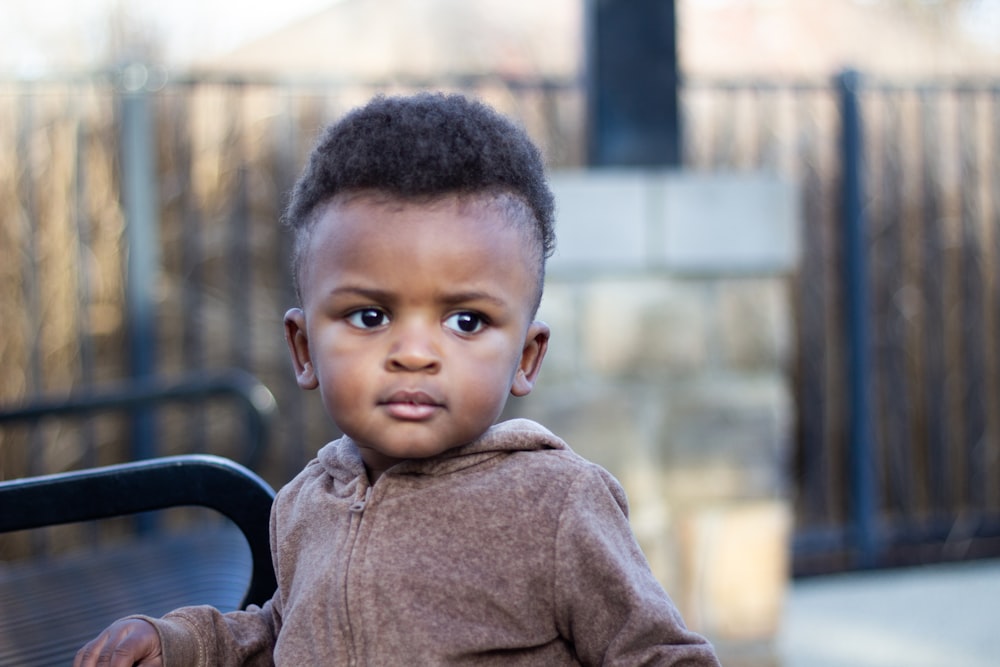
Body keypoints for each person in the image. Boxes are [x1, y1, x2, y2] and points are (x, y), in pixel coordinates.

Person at [75, 93, 721, 666]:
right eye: (370, 315)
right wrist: (183, 643)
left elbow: (660, 653)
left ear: (527, 355)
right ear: (303, 347)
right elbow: (284, 629)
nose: (414, 352)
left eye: (466, 320)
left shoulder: (555, 504)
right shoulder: (305, 502)